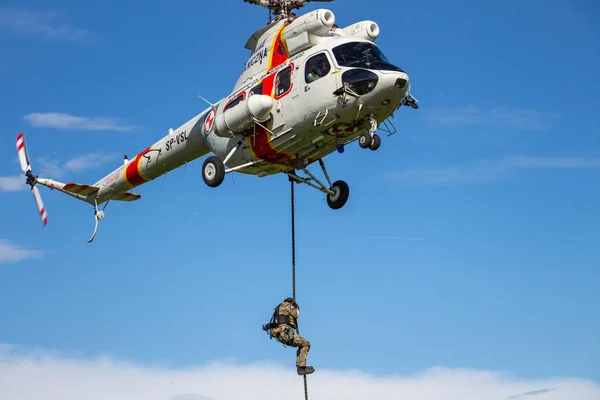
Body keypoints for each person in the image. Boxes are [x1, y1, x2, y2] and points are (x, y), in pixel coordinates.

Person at [262, 297, 314, 375]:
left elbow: (276, 323)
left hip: (280, 334)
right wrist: (296, 307)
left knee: (301, 343)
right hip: (285, 333)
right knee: (305, 344)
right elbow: (296, 314)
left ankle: (300, 366)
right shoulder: (287, 305)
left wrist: (267, 326)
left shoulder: (279, 308)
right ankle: (301, 367)